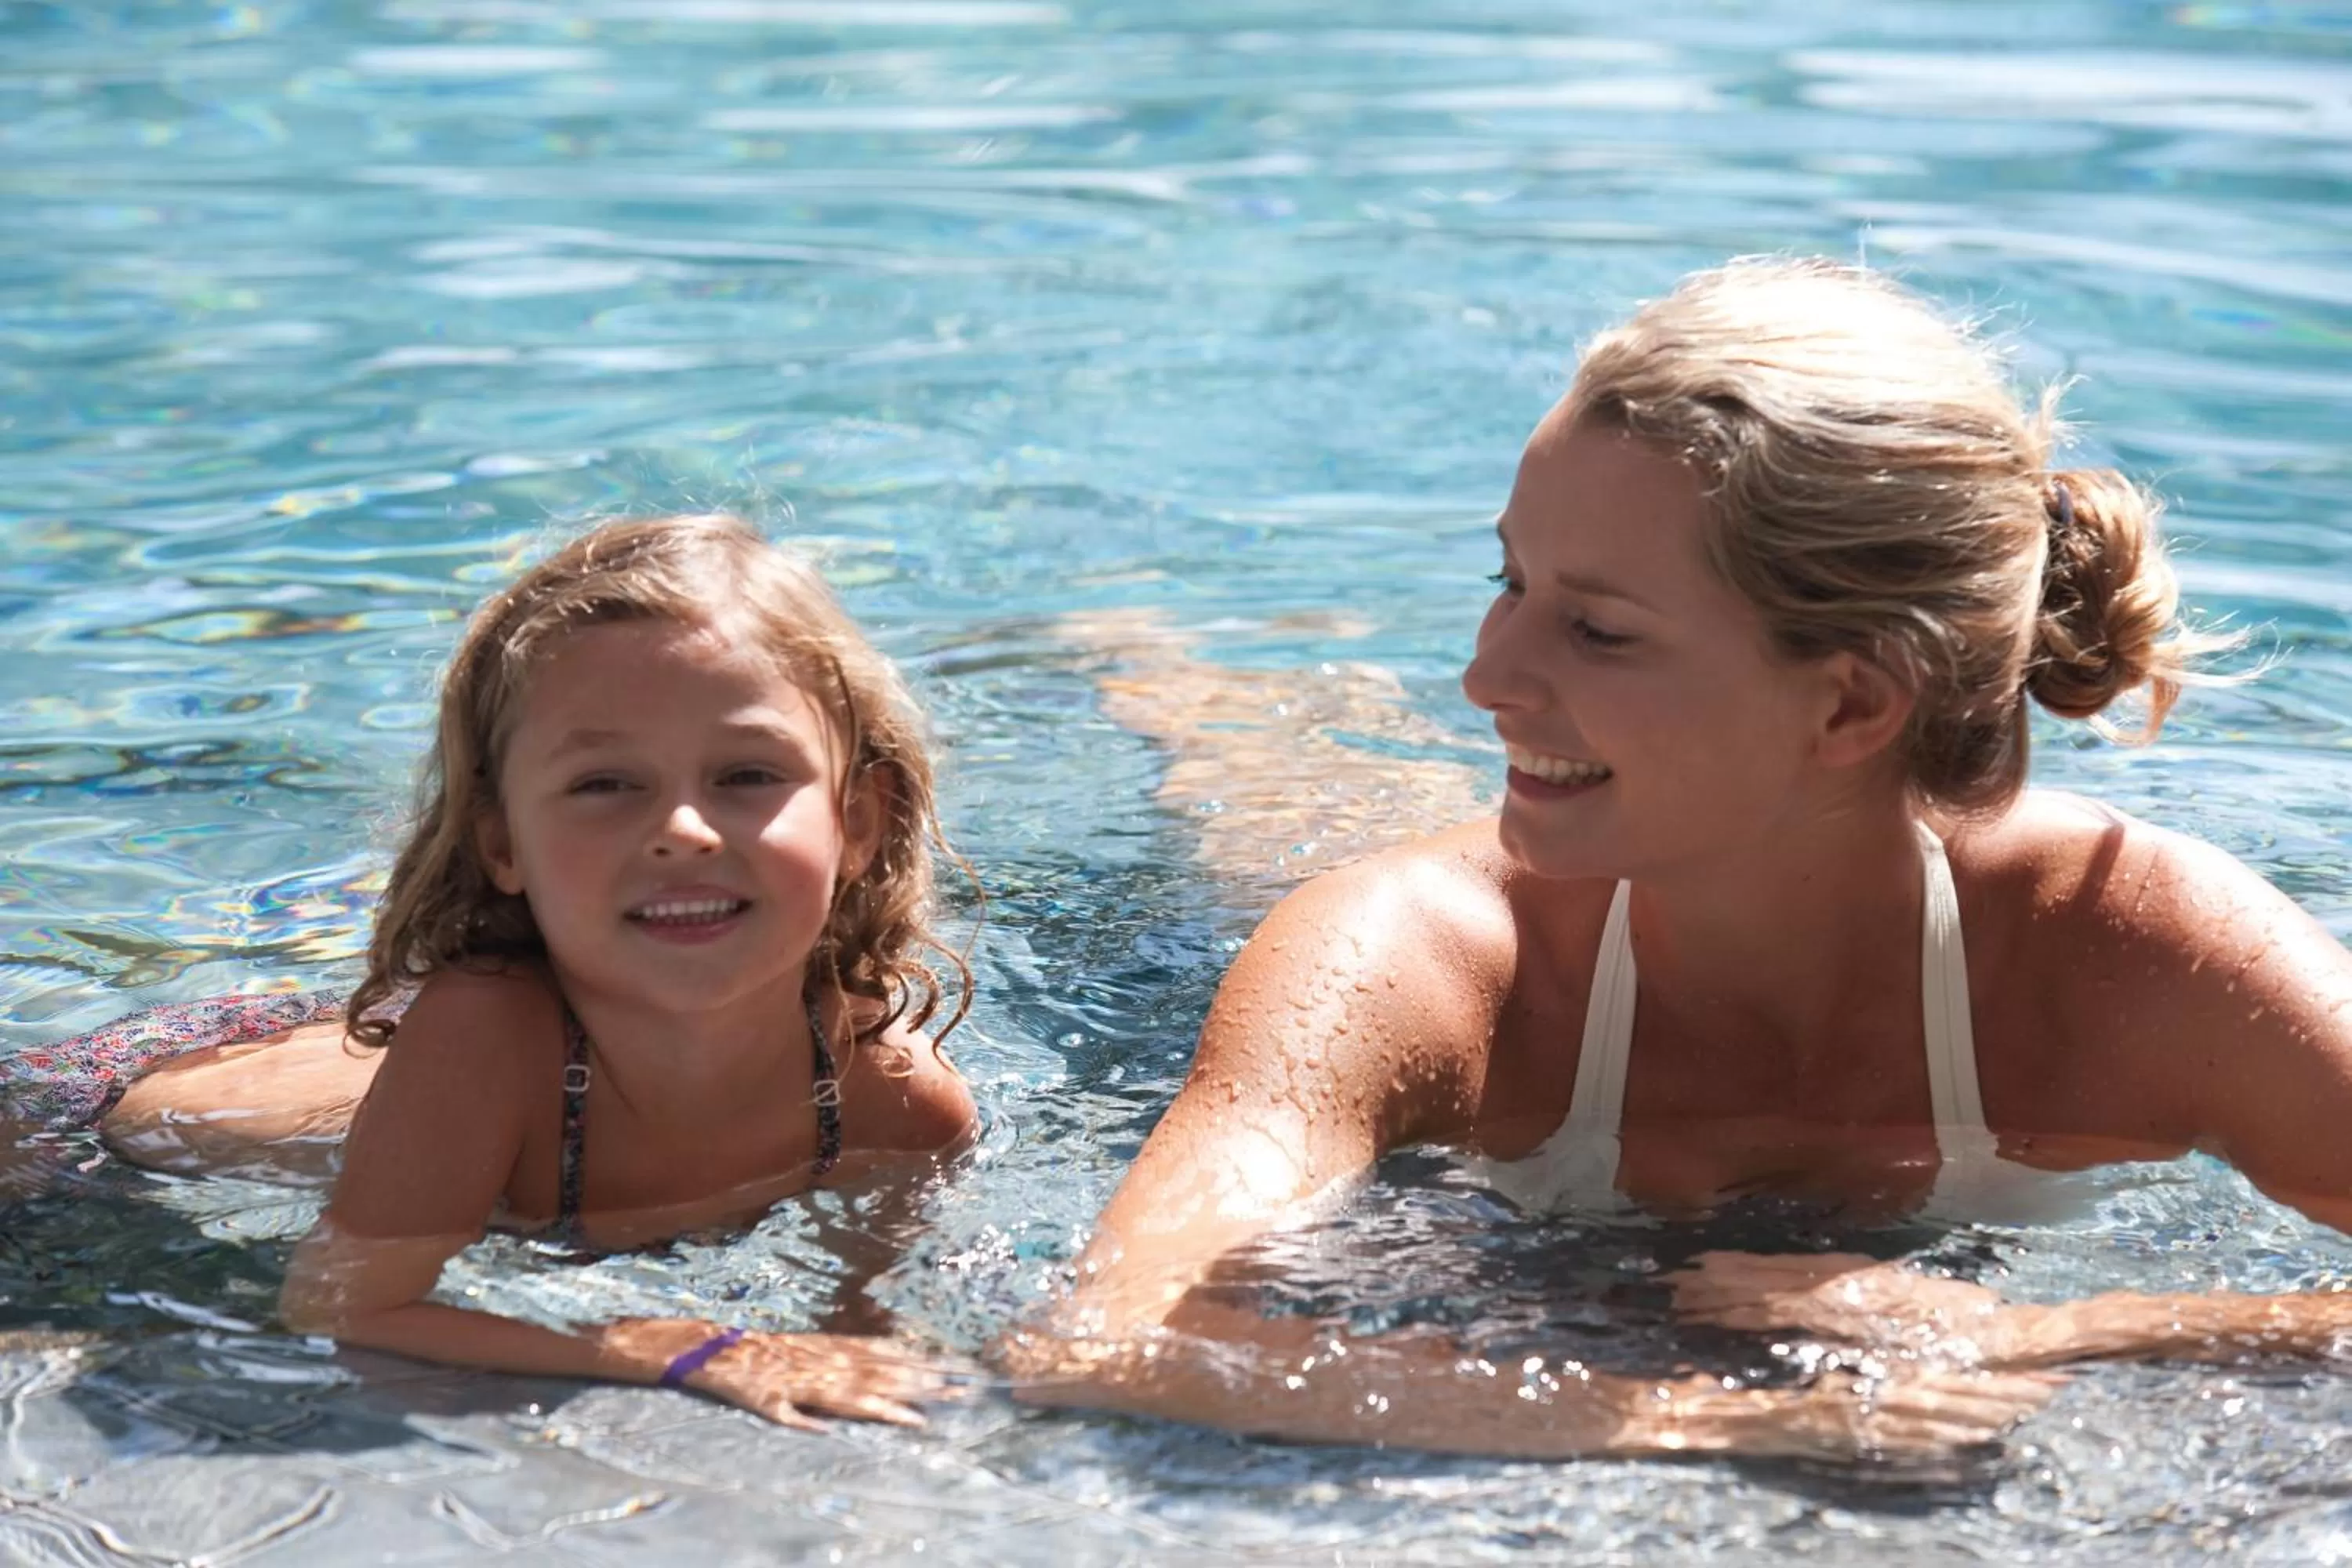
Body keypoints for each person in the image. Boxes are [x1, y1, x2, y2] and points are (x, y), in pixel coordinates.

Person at [1003, 258, 2352, 1454]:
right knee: (1252, 784)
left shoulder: (2131, 940)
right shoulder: (1409, 950)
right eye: (1506, 583)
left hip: (1603, 819)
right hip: (1369, 883)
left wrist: (2061, 1333)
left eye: (1598, 631)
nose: (1486, 675)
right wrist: (1723, 1415)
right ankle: (1145, 652)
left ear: (1850, 705)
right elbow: (1101, 1335)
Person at [5, 514, 978, 1427]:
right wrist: (687, 1346)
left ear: (858, 818)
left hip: (352, 1055)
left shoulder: (892, 1100)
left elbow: (870, 1334)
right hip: (84, 1133)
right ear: (504, 842)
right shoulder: (487, 1032)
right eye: (605, 783)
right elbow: (340, 1299)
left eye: (747, 774)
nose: (683, 830)